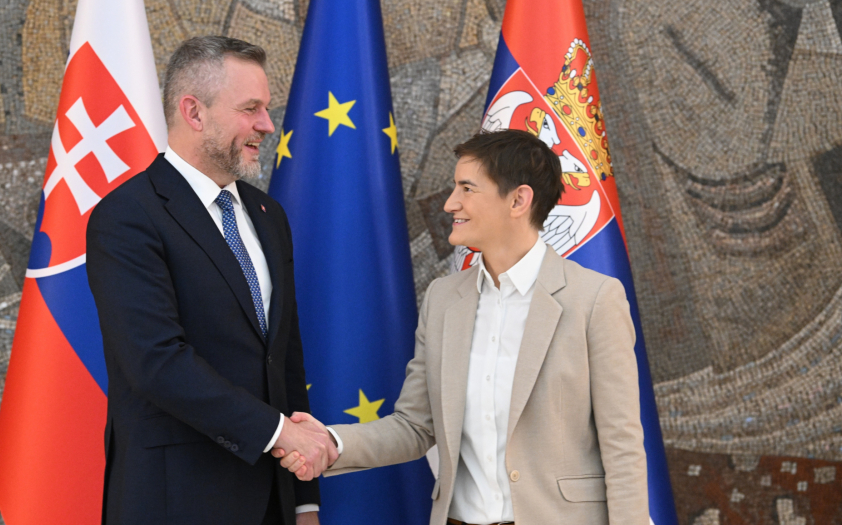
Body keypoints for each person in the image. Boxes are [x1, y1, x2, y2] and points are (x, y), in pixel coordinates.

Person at [276, 129, 649, 524]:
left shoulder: (594, 299)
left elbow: (622, 447)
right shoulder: (442, 299)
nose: (450, 203)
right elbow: (414, 426)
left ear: (519, 200)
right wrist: (331, 442)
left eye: (467, 188)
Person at [86, 36, 336, 525]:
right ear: (194, 112)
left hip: (274, 502)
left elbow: (284, 359)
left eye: (266, 108)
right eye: (250, 109)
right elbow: (156, 362)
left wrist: (304, 501)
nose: (267, 124)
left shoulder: (268, 215)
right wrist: (279, 433)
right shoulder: (127, 216)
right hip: (177, 501)